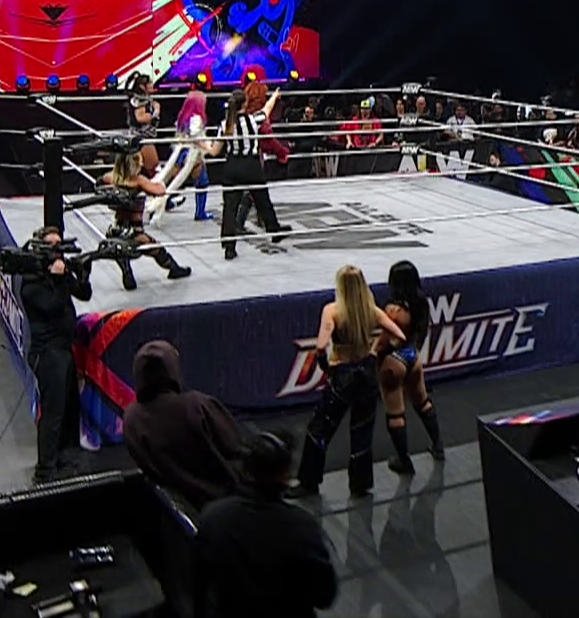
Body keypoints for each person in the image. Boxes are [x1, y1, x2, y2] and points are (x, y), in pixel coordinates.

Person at [287, 265, 405, 499]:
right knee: (362, 430)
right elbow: (399, 335)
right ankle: (360, 484)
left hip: (343, 374)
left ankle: (309, 482)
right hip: (367, 373)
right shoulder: (372, 311)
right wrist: (375, 353)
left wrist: (327, 368)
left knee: (320, 428)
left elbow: (321, 346)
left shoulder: (332, 311)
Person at [192, 431, 339, 618]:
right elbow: (324, 596)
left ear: (245, 469)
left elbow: (200, 584)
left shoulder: (213, 517)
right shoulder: (302, 527)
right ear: (285, 475)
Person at [122, 339, 247, 510]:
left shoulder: (131, 419)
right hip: (226, 503)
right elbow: (235, 446)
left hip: (174, 508)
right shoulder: (197, 405)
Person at [20, 225, 92, 485]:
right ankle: (44, 470)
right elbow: (51, 306)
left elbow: (84, 293)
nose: (58, 251)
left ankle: (62, 457)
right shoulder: (31, 281)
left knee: (67, 407)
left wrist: (82, 273)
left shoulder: (58, 269)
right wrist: (60, 279)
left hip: (63, 349)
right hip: (47, 353)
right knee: (52, 412)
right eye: (52, 245)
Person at [377, 260, 443, 472]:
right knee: (422, 402)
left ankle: (404, 460)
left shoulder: (393, 310)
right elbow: (419, 334)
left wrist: (372, 356)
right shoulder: (421, 304)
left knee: (395, 412)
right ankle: (438, 446)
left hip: (394, 361)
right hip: (413, 356)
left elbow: (384, 342)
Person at [213, 88, 288, 261]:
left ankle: (229, 247)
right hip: (251, 165)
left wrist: (200, 144)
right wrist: (274, 97)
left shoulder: (225, 125)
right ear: (245, 104)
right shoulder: (253, 120)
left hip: (232, 166)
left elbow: (215, 151)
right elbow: (267, 110)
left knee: (230, 207)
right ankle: (274, 230)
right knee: (262, 199)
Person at [104, 150, 192, 284]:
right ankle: (174, 269)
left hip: (116, 229)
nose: (142, 163)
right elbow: (160, 191)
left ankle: (127, 271)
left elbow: (98, 183)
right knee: (156, 249)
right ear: (133, 163)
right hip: (135, 233)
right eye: (139, 161)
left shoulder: (111, 178)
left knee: (120, 247)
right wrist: (161, 182)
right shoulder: (138, 181)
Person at [174, 80, 215, 222]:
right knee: (202, 181)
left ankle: (164, 202)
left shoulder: (183, 116)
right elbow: (195, 135)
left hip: (181, 150)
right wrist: (209, 147)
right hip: (192, 152)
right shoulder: (196, 118)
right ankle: (200, 212)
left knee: (176, 180)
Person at [126, 73, 162, 177]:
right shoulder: (140, 99)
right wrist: (155, 111)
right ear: (142, 86)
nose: (152, 85)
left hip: (142, 136)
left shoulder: (143, 98)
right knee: (154, 169)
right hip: (142, 137)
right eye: (149, 83)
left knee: (144, 170)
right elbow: (140, 118)